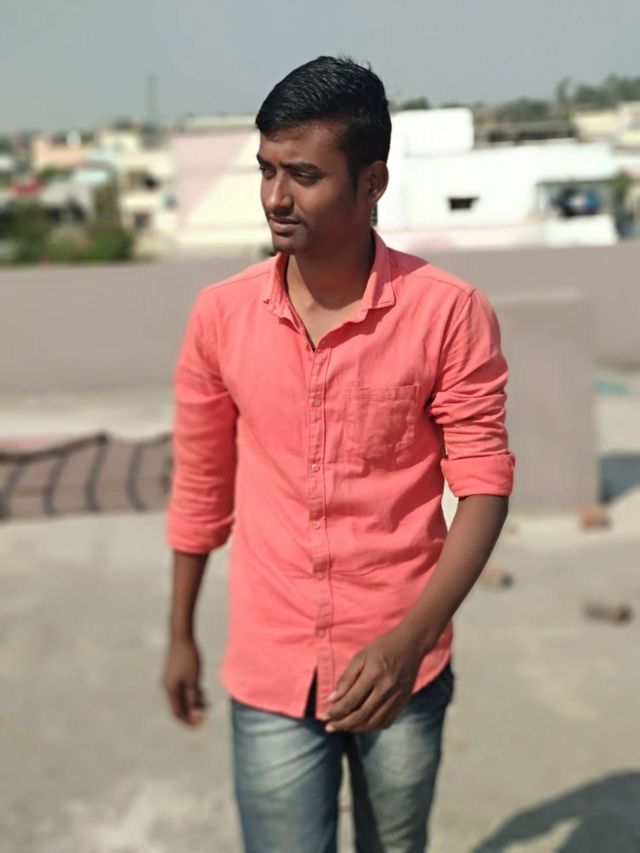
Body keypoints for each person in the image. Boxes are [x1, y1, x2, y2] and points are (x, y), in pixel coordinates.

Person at [162, 55, 515, 852]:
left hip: (403, 664)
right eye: (267, 170)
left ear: (372, 183)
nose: (275, 197)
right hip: (271, 664)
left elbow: (484, 485)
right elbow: (202, 487)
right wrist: (180, 632)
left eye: (304, 175)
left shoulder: (449, 314)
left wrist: (410, 641)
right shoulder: (220, 316)